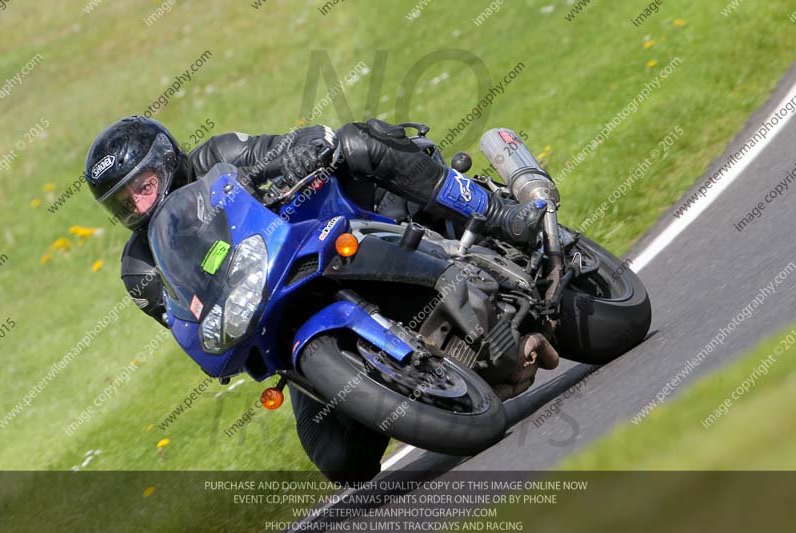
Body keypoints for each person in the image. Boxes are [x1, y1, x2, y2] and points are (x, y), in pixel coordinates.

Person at [84, 115, 557, 482]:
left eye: (143, 187)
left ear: (165, 163)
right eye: (123, 203)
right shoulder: (140, 265)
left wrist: (302, 152)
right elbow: (181, 318)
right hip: (281, 314)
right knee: (339, 461)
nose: (139, 206)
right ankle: (413, 379)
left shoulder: (217, 156)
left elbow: (296, 144)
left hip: (336, 239)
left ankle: (499, 215)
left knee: (356, 141)